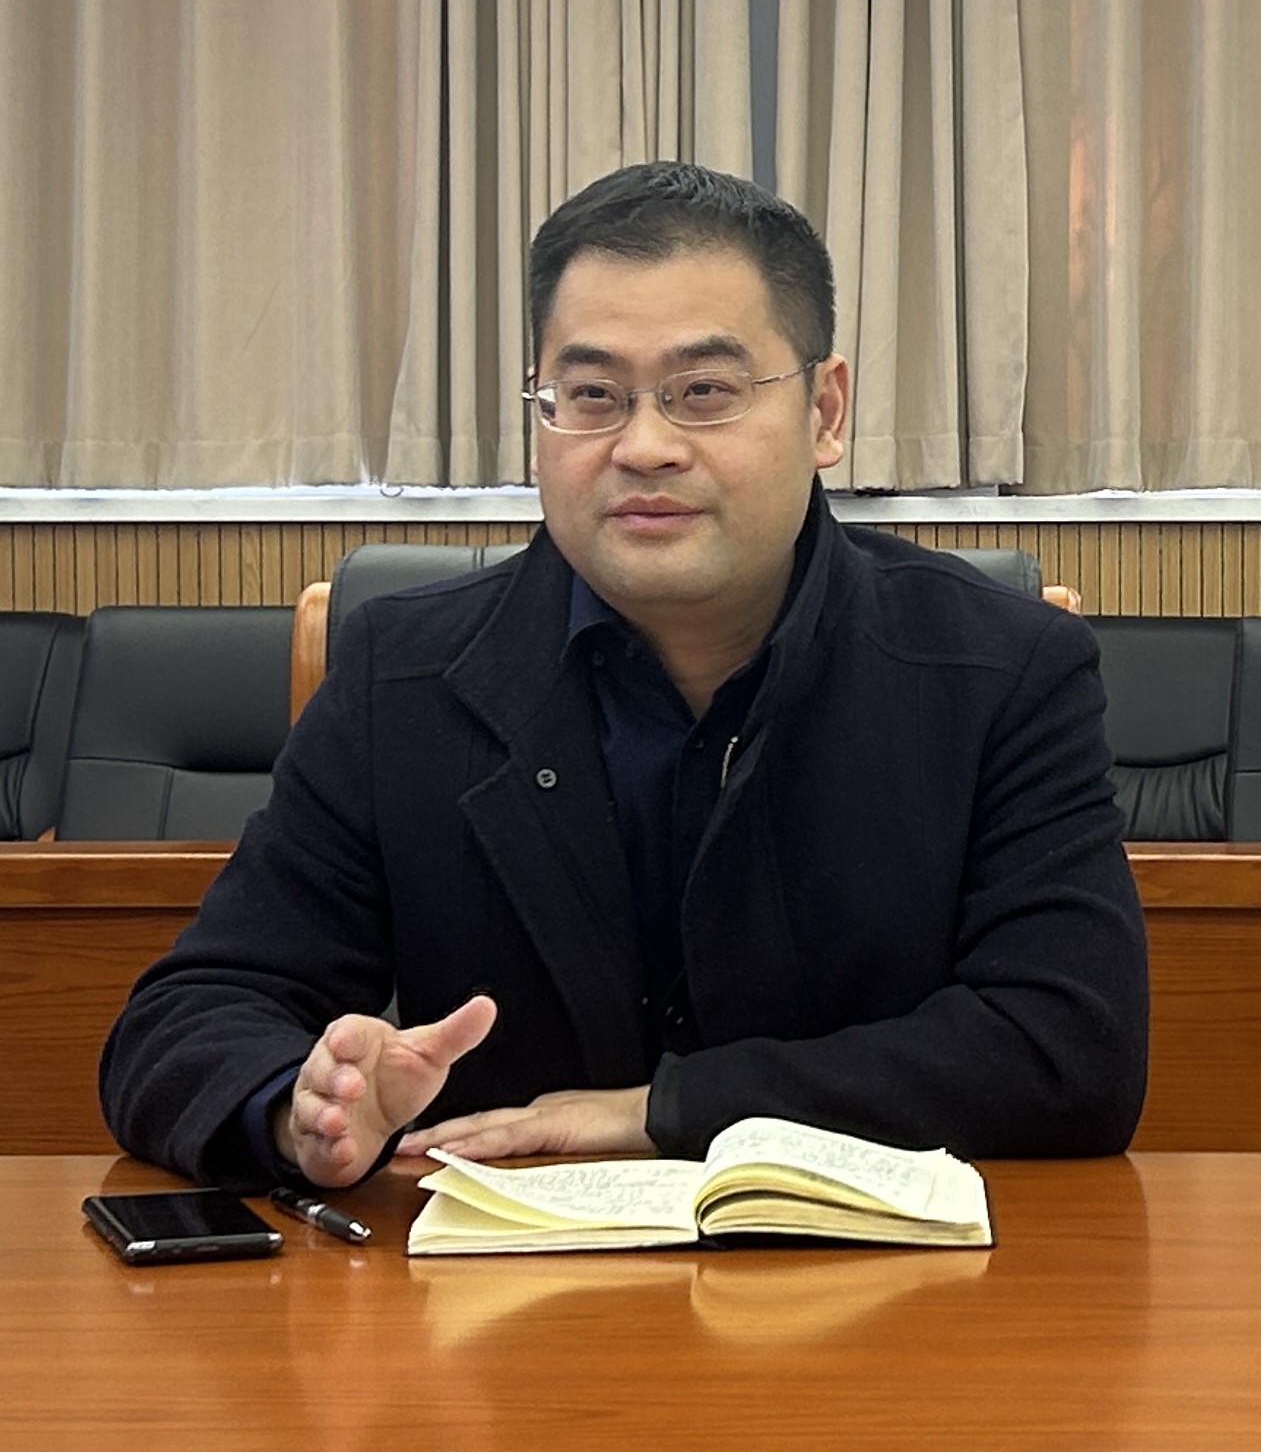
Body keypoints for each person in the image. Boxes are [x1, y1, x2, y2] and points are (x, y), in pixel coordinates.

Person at [100, 162, 1148, 1193]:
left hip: (873, 1279)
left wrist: (661, 1111)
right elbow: (185, 1020)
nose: (644, 446)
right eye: (592, 395)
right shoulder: (403, 674)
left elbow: (1068, 1048)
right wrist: (300, 1107)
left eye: (705, 392)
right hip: (502, 1287)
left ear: (825, 411)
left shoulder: (1003, 670)